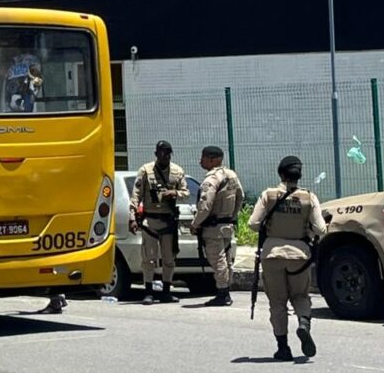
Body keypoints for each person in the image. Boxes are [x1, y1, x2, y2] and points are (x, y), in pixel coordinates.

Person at [249, 155, 326, 361]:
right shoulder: (309, 197)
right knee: (300, 296)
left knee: (277, 302)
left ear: (281, 173)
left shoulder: (269, 195)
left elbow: (253, 224)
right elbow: (321, 228)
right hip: (300, 256)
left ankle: (283, 348)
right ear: (299, 175)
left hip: (272, 254)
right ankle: (303, 323)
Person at [130, 140, 189, 304]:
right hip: (150, 221)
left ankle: (166, 291)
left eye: (168, 153)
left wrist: (174, 193)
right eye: (162, 153)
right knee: (149, 259)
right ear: (156, 154)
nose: (165, 156)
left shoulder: (177, 171)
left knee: (169, 259)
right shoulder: (145, 171)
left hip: (168, 221)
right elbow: (136, 196)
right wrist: (132, 217)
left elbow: (186, 192)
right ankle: (148, 291)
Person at [190, 145, 244, 306]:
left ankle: (223, 293)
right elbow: (240, 197)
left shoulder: (211, 179)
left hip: (213, 228)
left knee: (218, 260)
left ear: (213, 159)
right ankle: (225, 289)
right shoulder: (231, 175)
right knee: (227, 260)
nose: (201, 161)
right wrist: (232, 216)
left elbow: (205, 205)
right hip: (227, 225)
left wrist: (196, 224)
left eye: (203, 157)